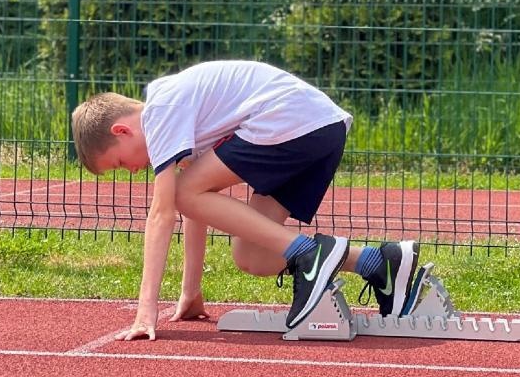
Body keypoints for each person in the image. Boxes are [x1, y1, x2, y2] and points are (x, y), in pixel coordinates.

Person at [71, 59, 424, 339]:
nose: (132, 170)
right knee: (254, 256)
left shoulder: (160, 111)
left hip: (294, 122)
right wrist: (190, 292)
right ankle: (380, 263)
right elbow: (196, 207)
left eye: (120, 162)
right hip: (320, 130)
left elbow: (162, 214)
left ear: (122, 131)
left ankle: (309, 254)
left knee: (179, 192)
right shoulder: (179, 116)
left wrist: (145, 311)